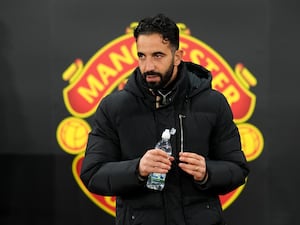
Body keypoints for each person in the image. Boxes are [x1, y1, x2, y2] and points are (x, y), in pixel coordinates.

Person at [80, 13, 249, 225]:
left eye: (157, 55)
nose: (148, 66)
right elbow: (93, 174)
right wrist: (138, 169)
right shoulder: (113, 107)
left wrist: (208, 172)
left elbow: (237, 169)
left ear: (177, 56)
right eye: (142, 56)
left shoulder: (213, 103)